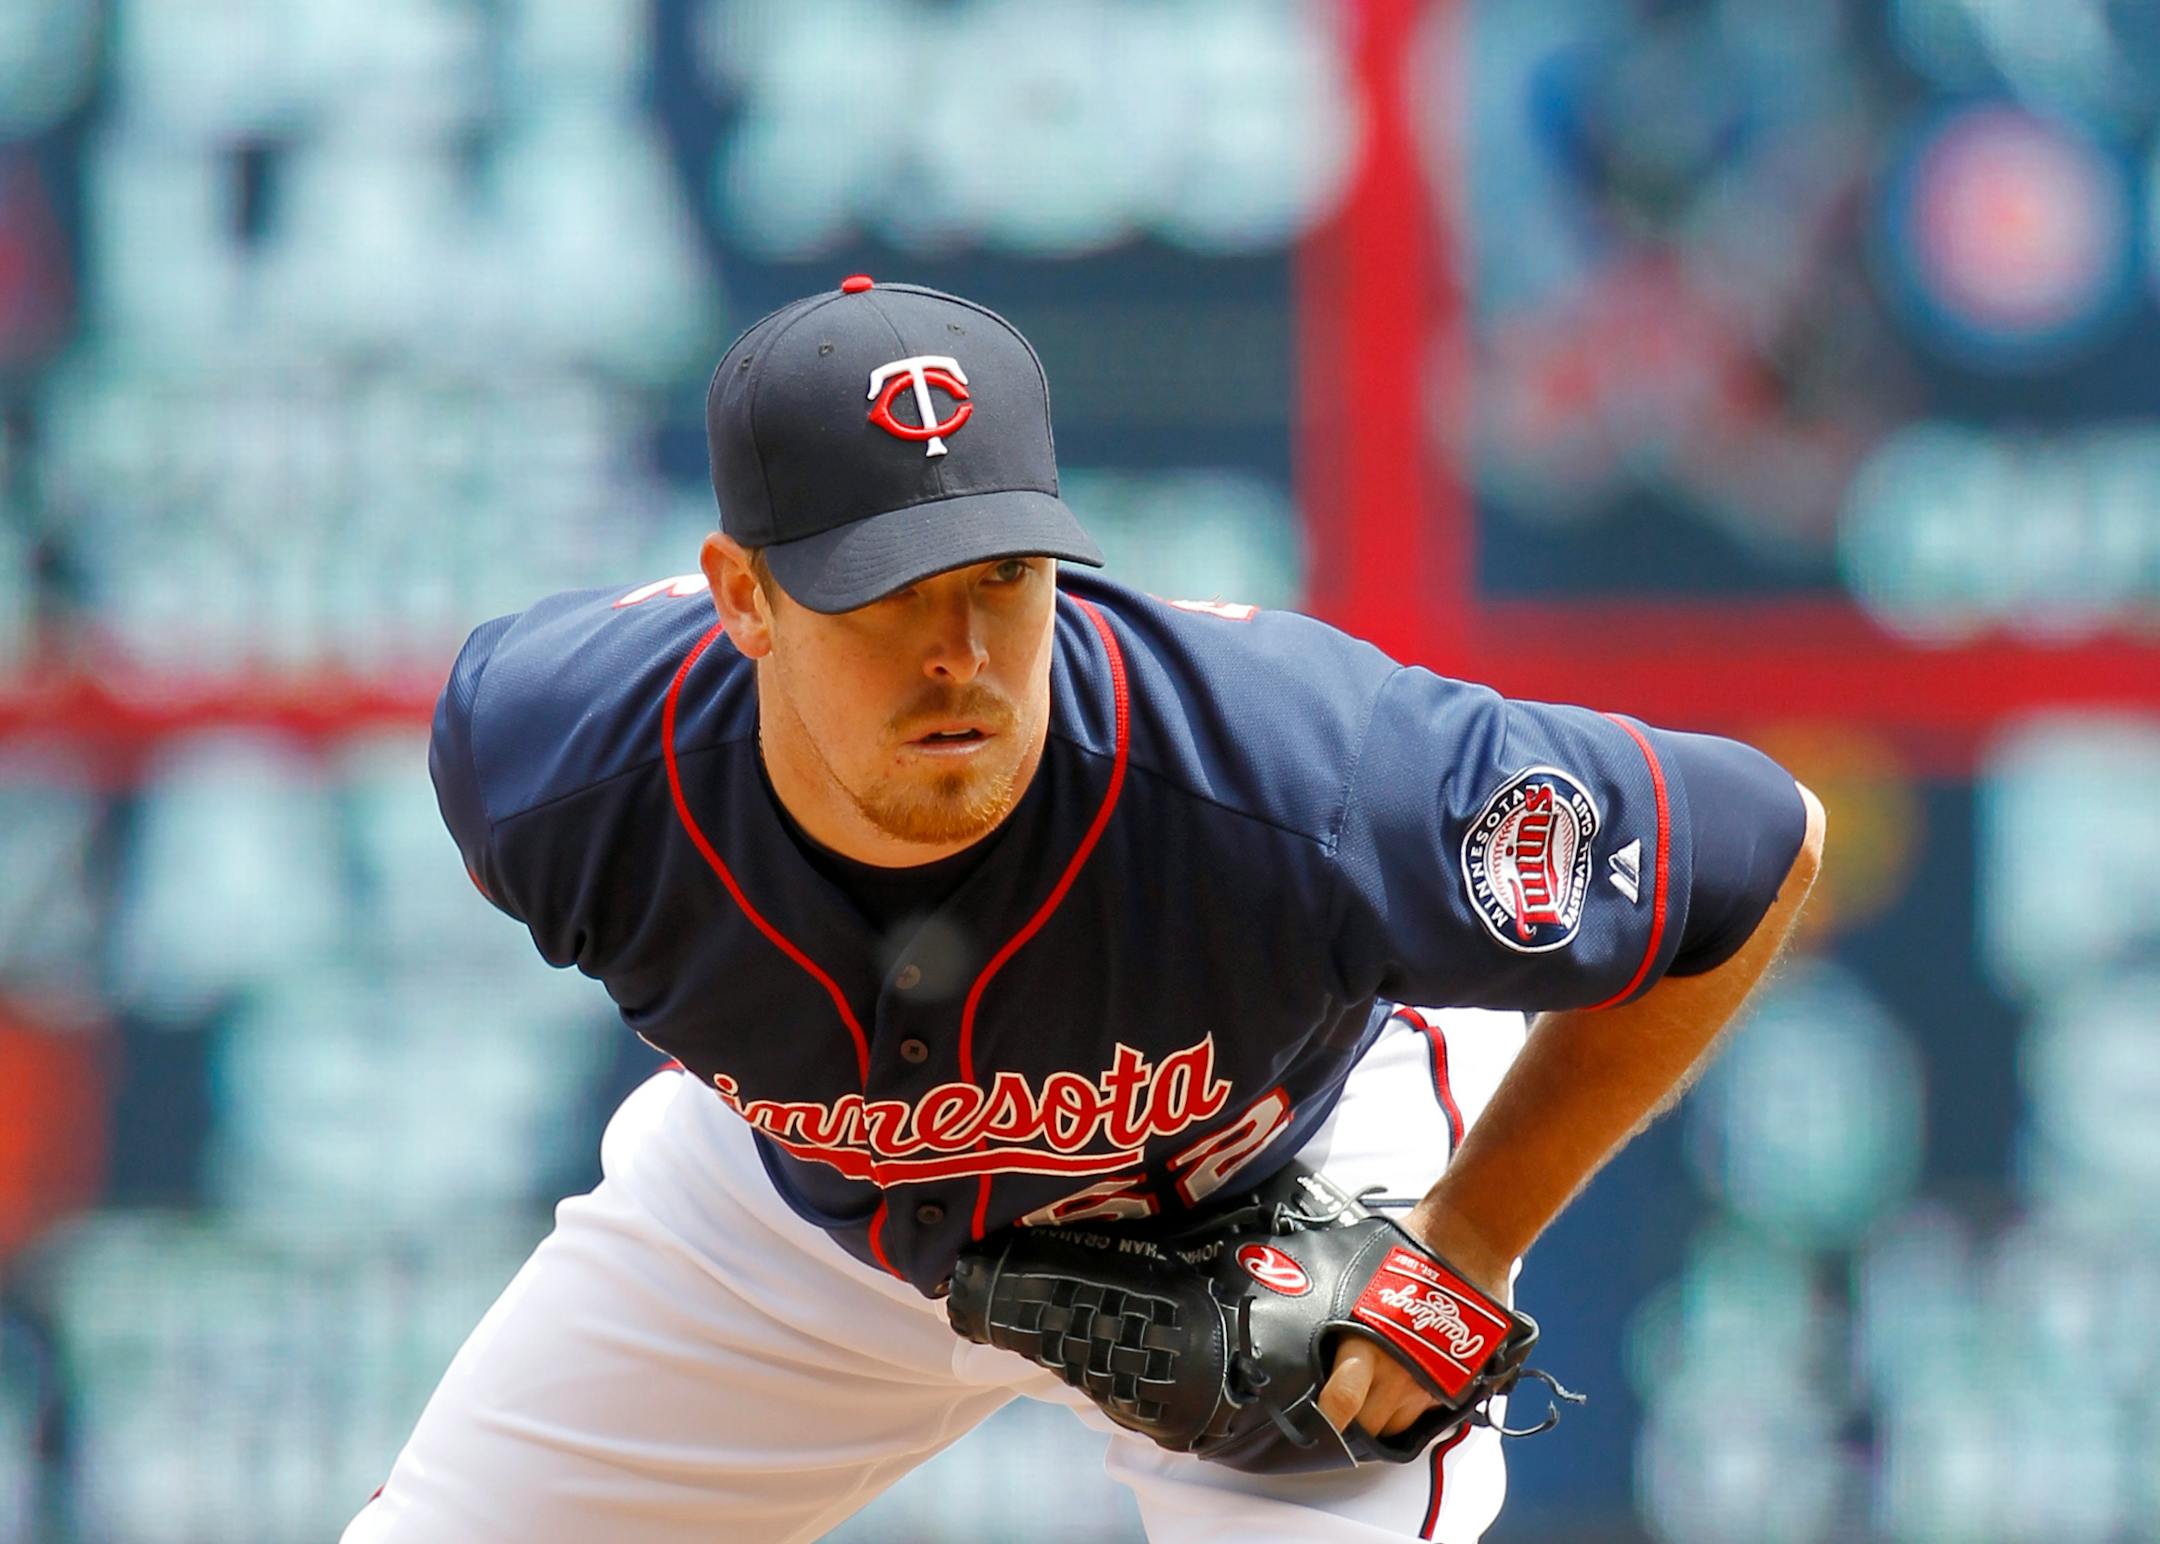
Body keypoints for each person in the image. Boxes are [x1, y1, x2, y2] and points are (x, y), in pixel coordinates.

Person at [343, 278, 1823, 1544]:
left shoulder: (1300, 778)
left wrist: (1474, 1235)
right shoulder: (559, 767)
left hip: (1277, 1197)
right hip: (795, 1225)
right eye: (885, 591)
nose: (962, 652)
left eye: (1001, 573)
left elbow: (1764, 845)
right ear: (743, 600)